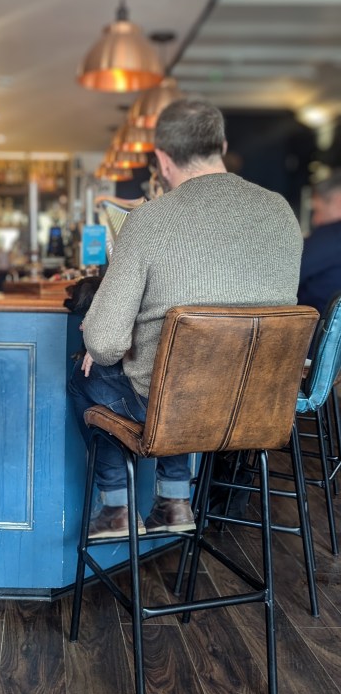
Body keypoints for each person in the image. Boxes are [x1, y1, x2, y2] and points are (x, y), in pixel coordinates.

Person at [68, 98, 303, 539]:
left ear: (162, 158)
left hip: (174, 408)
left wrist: (109, 334)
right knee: (174, 371)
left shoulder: (149, 220)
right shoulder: (281, 213)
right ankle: (173, 500)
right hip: (259, 409)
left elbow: (104, 343)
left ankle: (116, 508)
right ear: (222, 146)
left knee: (88, 375)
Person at [297, 171, 341, 315]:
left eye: (318, 210)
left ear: (338, 201)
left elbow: (282, 274)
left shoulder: (331, 235)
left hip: (317, 325)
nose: (315, 220)